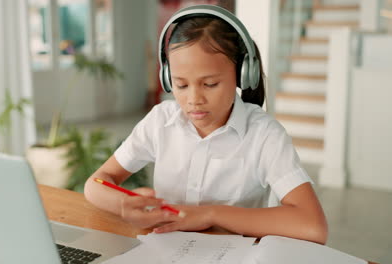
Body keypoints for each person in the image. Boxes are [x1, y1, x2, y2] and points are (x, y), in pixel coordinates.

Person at [84, 5, 328, 244]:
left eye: (210, 84)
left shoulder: (264, 135)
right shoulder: (160, 121)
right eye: (181, 85)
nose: (194, 100)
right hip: (166, 249)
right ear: (168, 78)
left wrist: (210, 214)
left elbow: (312, 226)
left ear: (243, 74)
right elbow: (96, 183)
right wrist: (123, 204)